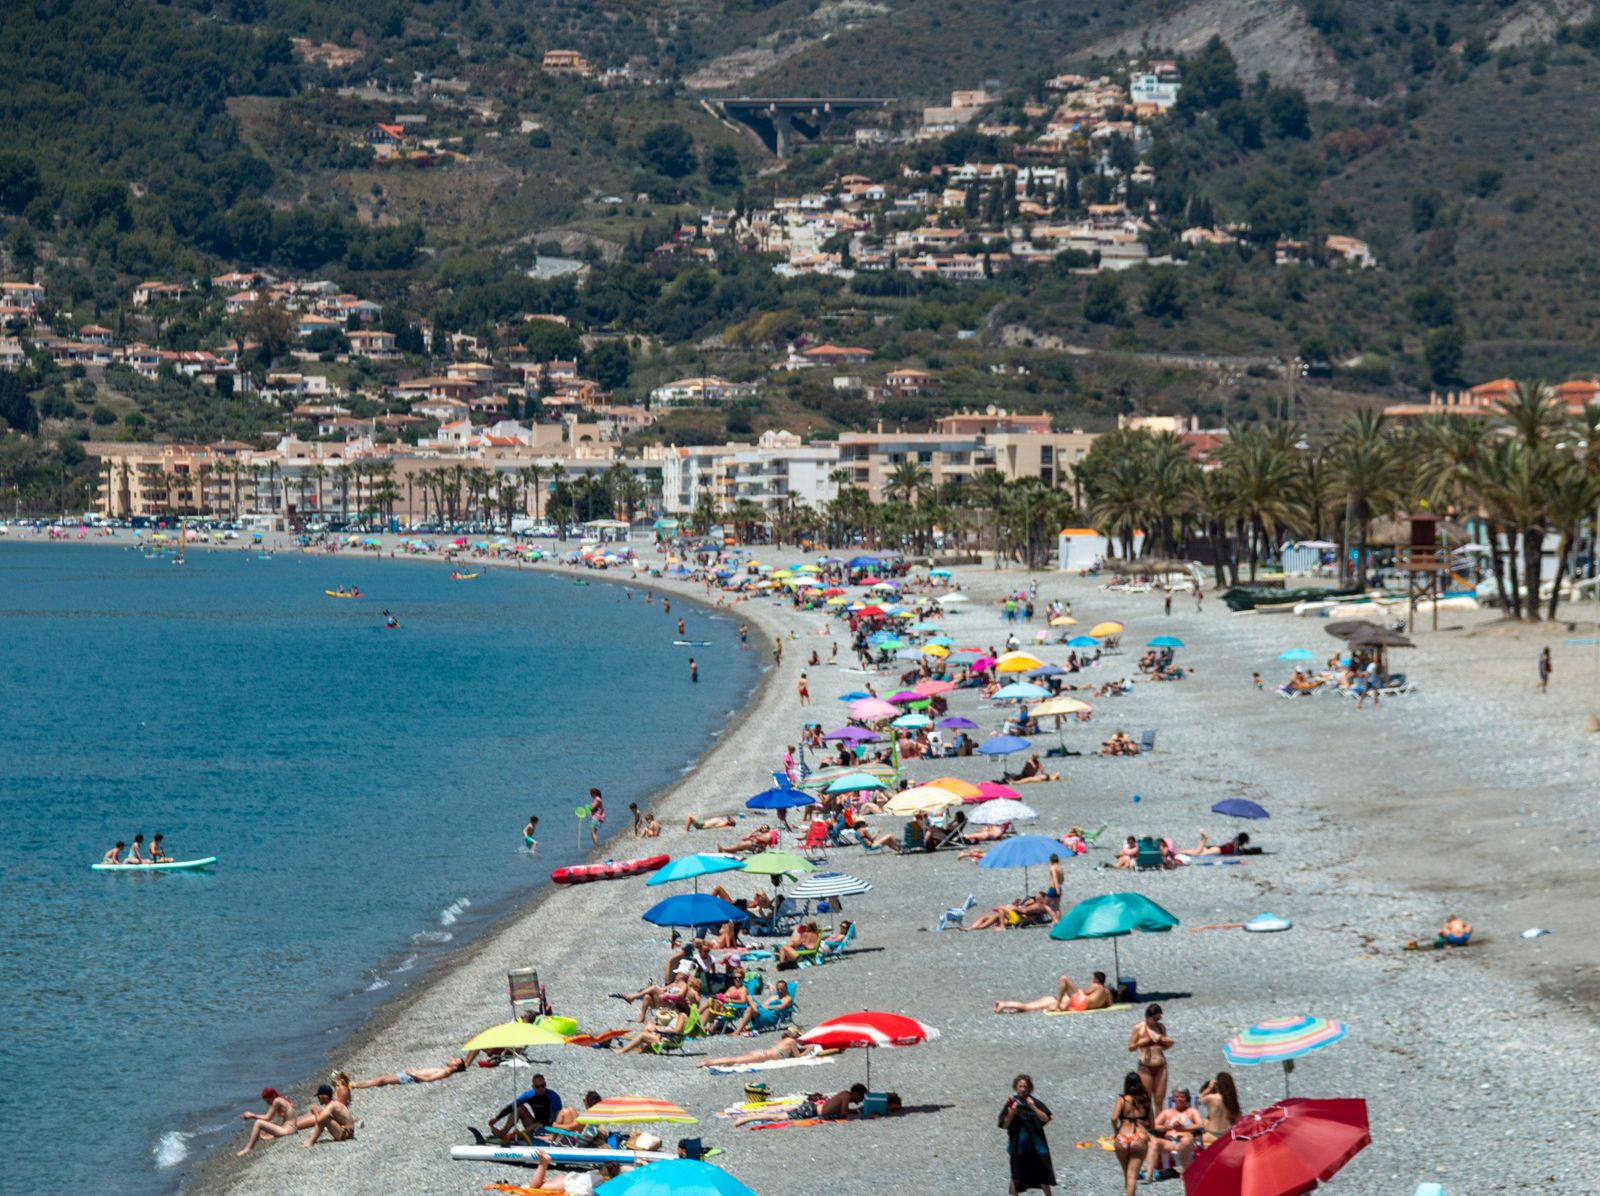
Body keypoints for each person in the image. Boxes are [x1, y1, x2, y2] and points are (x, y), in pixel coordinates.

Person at [999, 1073, 1055, 1195]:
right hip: (1018, 1146)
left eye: (1025, 1086)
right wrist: (1012, 1112)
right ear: (1016, 1087)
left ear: (1029, 1088)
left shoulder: (1034, 1102)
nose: (1023, 1089)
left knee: (1043, 1174)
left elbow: (1046, 1118)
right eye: (1020, 1086)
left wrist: (1034, 1108)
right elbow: (1004, 1125)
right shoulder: (1011, 1104)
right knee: (1016, 1175)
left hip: (1036, 1146)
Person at [732, 1084, 866, 1126]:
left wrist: (855, 1111)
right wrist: (858, 1112)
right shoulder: (846, 1096)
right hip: (811, 1111)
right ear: (857, 1093)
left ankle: (749, 1116)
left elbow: (842, 1110)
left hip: (811, 1108)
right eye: (861, 1098)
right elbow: (844, 1114)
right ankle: (745, 1118)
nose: (860, 1101)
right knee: (778, 1117)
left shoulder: (844, 1094)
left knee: (780, 1115)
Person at [1145, 1086, 1203, 1180]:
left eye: (1182, 1096)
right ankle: (1149, 1175)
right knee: (1154, 1142)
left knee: (1185, 1141)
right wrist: (1168, 1127)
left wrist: (1184, 1128)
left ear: (1187, 1098)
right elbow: (1154, 1125)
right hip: (1170, 1143)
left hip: (1185, 1142)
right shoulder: (1167, 1112)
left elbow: (1200, 1125)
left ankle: (1184, 1171)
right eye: (1176, 1096)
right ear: (1173, 1099)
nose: (1179, 1099)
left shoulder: (1192, 1111)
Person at [697, 1026, 820, 1068]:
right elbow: (798, 1058)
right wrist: (808, 1049)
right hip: (763, 1056)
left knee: (735, 1059)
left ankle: (711, 1062)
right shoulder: (791, 1042)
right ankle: (708, 1062)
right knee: (735, 1060)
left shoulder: (786, 1041)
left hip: (761, 1053)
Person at [1112, 1071, 1152, 1196]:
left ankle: (1128, 1193)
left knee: (1126, 1173)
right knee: (1132, 1176)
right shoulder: (1146, 1100)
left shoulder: (1122, 1099)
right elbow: (1152, 1123)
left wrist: (1116, 1130)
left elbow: (1113, 1118)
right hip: (1139, 1137)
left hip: (1123, 1137)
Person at [994, 972, 1113, 1014]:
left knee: (1064, 978)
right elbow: (1109, 1005)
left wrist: (1079, 991)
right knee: (1029, 1008)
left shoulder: (1097, 986)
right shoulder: (1106, 992)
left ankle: (1004, 1004)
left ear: (1097, 980)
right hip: (1082, 1006)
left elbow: (1085, 992)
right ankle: (1007, 1008)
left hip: (1080, 1003)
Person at [1128, 1004, 1172, 1117]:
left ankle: (1159, 1125)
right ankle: (1149, 1125)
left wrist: (1167, 1043)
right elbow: (1130, 1047)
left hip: (1161, 1065)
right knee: (1146, 1099)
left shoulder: (1161, 1027)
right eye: (1155, 1018)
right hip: (1145, 1066)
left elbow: (1164, 1047)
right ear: (1148, 1016)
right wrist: (1140, 1043)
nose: (1157, 1021)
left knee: (1159, 1100)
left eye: (1159, 1018)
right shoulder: (1139, 1028)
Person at [525, 1149, 622, 1194]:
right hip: (567, 1184)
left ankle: (543, 1163)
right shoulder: (602, 1185)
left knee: (538, 1186)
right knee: (535, 1188)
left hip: (569, 1179)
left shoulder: (598, 1175)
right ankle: (543, 1163)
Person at [350, 1057, 468, 1088]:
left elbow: (429, 1079)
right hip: (410, 1076)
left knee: (381, 1080)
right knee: (382, 1080)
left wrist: (413, 1074)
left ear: (455, 1067)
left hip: (411, 1077)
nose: (451, 1059)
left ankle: (354, 1085)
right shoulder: (445, 1070)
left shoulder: (445, 1072)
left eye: (454, 1061)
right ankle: (356, 1084)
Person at [1198, 1072, 1241, 1147]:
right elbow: (1238, 1119)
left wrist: (1209, 1088)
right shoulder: (1232, 1100)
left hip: (1212, 1132)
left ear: (1218, 1085)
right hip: (1227, 1133)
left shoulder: (1212, 1098)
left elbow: (1197, 1100)